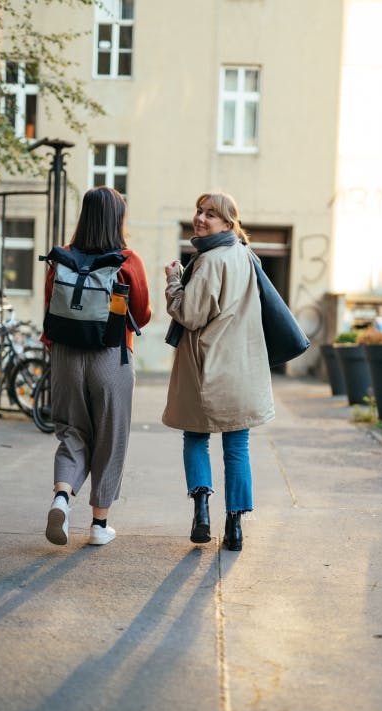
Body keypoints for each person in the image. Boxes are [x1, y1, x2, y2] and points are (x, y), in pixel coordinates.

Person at [162, 191, 275, 551]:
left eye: (210, 214)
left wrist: (174, 282)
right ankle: (235, 527)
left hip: (207, 369)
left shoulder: (210, 261)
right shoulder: (247, 256)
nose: (200, 218)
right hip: (242, 367)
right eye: (198, 210)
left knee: (196, 437)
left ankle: (202, 513)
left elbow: (190, 315)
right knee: (237, 447)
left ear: (228, 223)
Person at [42, 186, 151, 546]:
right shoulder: (127, 260)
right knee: (110, 438)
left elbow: (50, 310)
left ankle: (61, 496)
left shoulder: (63, 258)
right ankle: (98, 525)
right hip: (111, 357)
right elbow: (143, 314)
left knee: (72, 432)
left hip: (65, 357)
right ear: (117, 218)